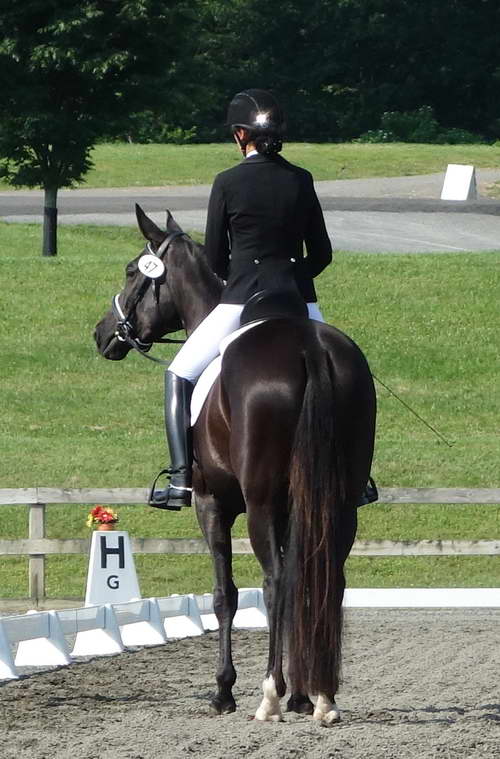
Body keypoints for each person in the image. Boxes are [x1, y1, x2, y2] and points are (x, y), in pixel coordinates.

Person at [150, 88, 377, 510]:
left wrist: (248, 279)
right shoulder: (301, 179)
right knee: (336, 371)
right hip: (299, 301)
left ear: (241, 135)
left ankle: (181, 480)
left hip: (241, 300)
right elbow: (322, 253)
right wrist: (290, 278)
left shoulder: (228, 182)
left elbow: (215, 257)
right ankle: (359, 479)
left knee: (179, 374)